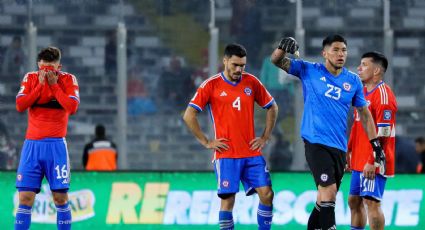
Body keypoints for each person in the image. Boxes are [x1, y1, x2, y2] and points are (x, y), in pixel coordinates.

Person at [270, 35, 386, 230]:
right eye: (336, 50)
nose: (341, 54)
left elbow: (365, 115)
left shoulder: (353, 81)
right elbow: (277, 60)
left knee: (323, 199)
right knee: (329, 193)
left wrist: (375, 145)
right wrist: (282, 47)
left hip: (339, 146)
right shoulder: (309, 70)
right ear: (324, 53)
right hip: (315, 142)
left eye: (344, 50)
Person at [183, 43, 278, 230]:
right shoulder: (210, 85)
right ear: (225, 61)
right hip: (226, 154)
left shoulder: (252, 82)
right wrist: (206, 141)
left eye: (242, 65)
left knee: (267, 194)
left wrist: (265, 137)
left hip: (251, 153)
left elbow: (272, 107)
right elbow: (189, 115)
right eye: (235, 65)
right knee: (228, 201)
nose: (239, 69)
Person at [15, 46, 79, 230]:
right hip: (32, 147)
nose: (48, 71)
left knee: (60, 198)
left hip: (56, 146)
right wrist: (40, 86)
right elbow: (20, 105)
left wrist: (54, 86)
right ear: (38, 65)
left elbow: (72, 107)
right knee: (25, 198)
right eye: (44, 68)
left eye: (52, 68)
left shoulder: (68, 79)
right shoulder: (31, 78)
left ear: (59, 66)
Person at [347, 52, 397, 230]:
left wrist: (372, 161)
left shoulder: (384, 95)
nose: (359, 68)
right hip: (359, 158)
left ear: (376, 71)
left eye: (364, 65)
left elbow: (383, 133)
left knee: (371, 202)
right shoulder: (362, 94)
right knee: (353, 201)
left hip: (374, 160)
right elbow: (356, 125)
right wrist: (350, 150)